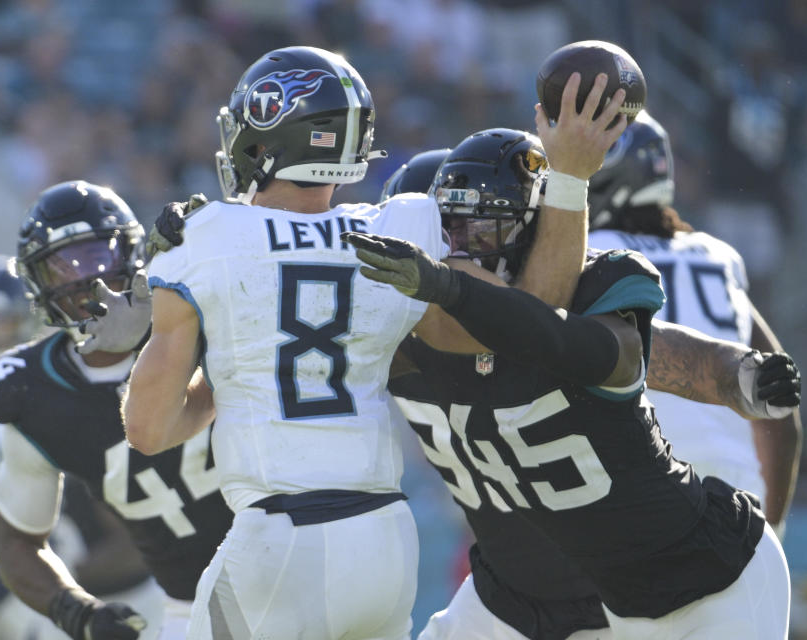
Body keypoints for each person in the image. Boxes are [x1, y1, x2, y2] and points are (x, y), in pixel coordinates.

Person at [124, 46, 632, 639]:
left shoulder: (203, 235)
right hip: (385, 542)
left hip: (280, 539)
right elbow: (534, 318)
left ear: (267, 130)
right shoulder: (403, 225)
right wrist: (569, 181)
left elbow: (149, 429)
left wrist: (171, 300)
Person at [343, 127, 797, 638]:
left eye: (475, 234)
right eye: (446, 239)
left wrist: (739, 374)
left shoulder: (579, 302)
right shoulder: (403, 340)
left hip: (674, 576)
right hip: (524, 590)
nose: (460, 252)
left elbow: (641, 349)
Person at [0, 180, 234, 640]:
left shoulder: (200, 316)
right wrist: (74, 610)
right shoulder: (33, 392)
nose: (87, 282)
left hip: (285, 552)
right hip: (184, 603)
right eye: (64, 269)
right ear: (38, 285)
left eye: (98, 257)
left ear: (134, 254)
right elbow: (16, 538)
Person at [587, 110, 802, 534]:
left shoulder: (588, 254)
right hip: (738, 497)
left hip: (635, 493)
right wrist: (772, 531)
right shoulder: (718, 258)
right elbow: (780, 408)